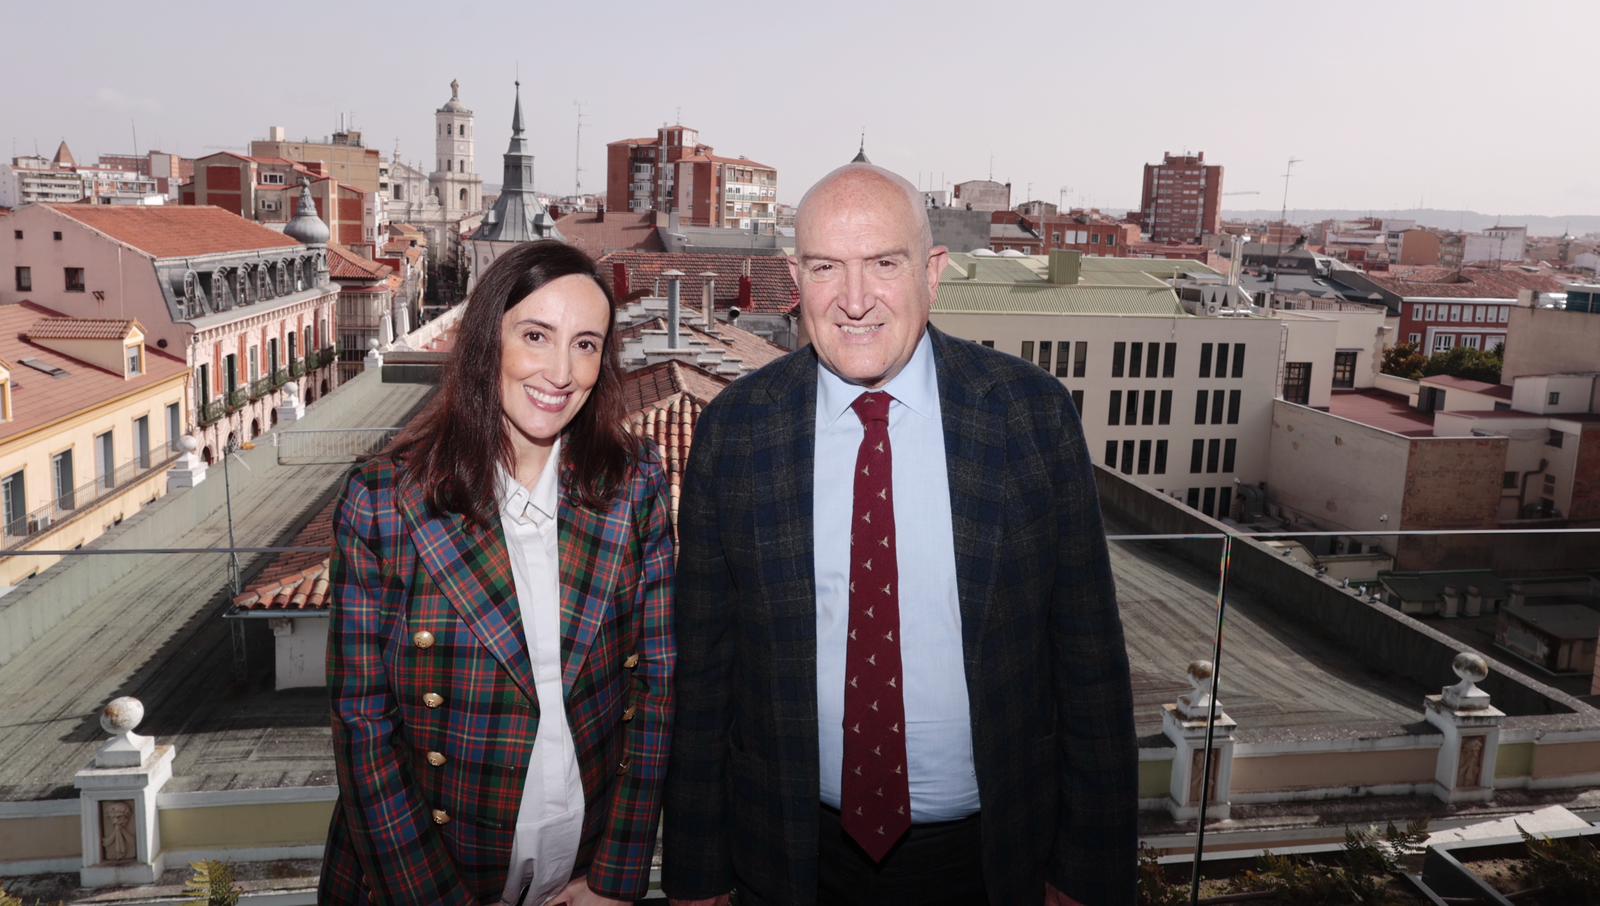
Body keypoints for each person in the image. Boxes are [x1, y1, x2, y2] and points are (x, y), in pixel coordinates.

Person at [663, 164, 1137, 906]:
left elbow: (1089, 660)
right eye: (826, 267)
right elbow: (704, 674)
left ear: (932, 272)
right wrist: (696, 876)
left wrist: (1089, 875)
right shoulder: (737, 430)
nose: (855, 300)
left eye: (884, 263)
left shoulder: (1030, 416)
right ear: (797, 277)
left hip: (994, 861)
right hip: (788, 857)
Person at [321, 240, 675, 906]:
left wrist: (617, 875)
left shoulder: (633, 484)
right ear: (489, 341)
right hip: (430, 870)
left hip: (584, 868)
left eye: (585, 345)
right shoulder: (386, 502)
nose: (560, 372)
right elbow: (362, 726)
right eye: (536, 336)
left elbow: (656, 686)